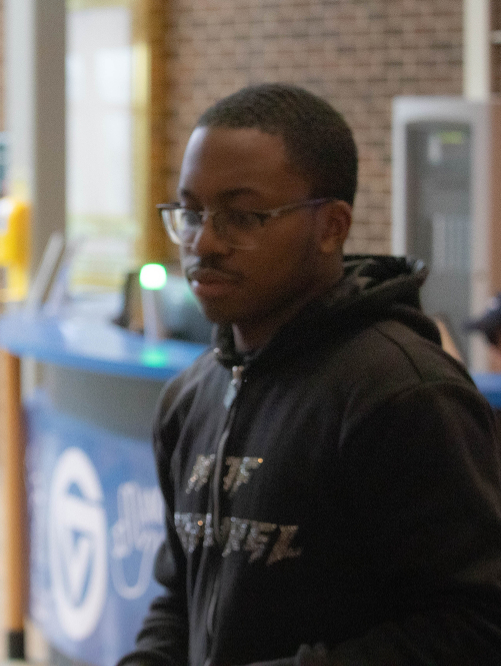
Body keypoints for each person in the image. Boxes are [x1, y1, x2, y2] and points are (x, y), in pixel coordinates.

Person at [118, 83, 501, 666]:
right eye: (191, 213)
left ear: (332, 227)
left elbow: (477, 626)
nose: (204, 242)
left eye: (243, 216)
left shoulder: (405, 395)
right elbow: (180, 598)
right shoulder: (189, 397)